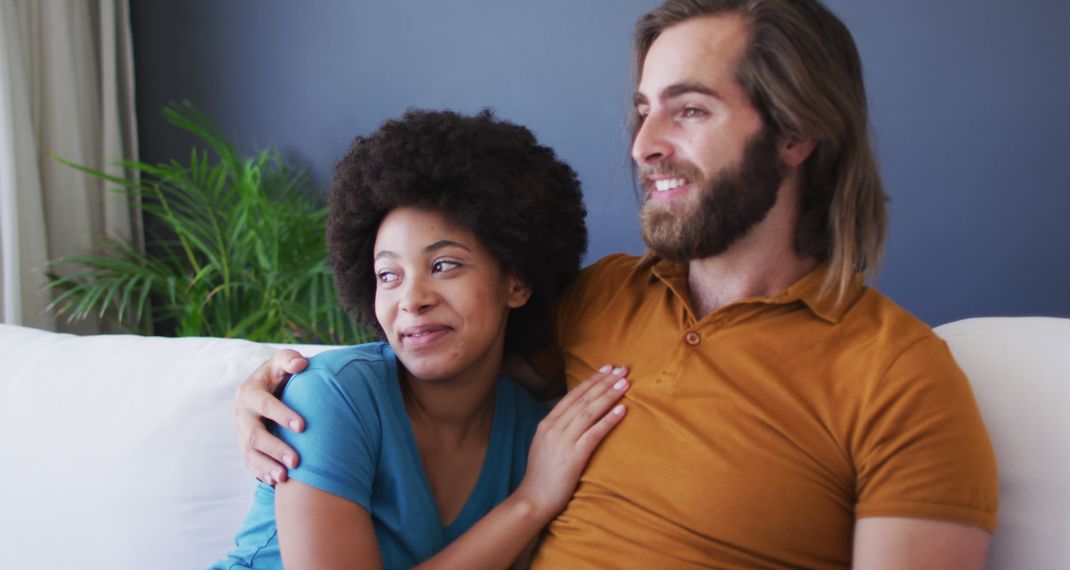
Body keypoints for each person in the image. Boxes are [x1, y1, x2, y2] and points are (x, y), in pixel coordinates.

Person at [235, 1, 999, 567]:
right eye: (641, 112)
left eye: (688, 110)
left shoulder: (899, 377)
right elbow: (435, 360)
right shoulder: (598, 299)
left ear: (796, 133)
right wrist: (274, 383)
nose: (643, 147)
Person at [213, 109, 631, 569]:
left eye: (444, 265)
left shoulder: (539, 434)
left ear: (516, 282)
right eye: (388, 275)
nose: (411, 300)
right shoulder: (332, 395)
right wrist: (529, 503)